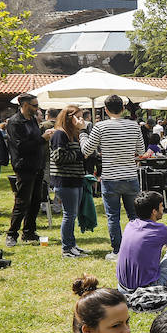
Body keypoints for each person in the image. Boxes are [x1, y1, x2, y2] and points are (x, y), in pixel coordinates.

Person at [82, 95, 147, 259]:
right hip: (130, 176)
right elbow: (141, 151)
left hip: (110, 177)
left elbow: (86, 151)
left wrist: (82, 132)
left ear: (105, 109)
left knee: (113, 217)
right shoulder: (134, 126)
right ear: (123, 108)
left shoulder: (100, 127)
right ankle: (138, 248)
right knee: (135, 216)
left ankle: (117, 251)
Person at [3, 93, 47, 248]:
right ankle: (11, 234)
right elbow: (20, 146)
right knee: (22, 201)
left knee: (36, 200)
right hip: (24, 166)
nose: (37, 108)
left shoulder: (33, 120)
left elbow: (34, 141)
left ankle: (28, 231)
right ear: (24, 105)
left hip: (37, 165)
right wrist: (43, 139)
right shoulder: (15, 122)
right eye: (34, 105)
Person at [50, 105, 92, 258]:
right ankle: (67, 248)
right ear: (69, 118)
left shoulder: (73, 134)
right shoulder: (59, 135)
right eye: (78, 117)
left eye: (82, 117)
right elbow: (59, 157)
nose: (82, 120)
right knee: (69, 214)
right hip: (64, 180)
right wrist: (80, 155)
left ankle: (72, 245)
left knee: (72, 214)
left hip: (75, 179)